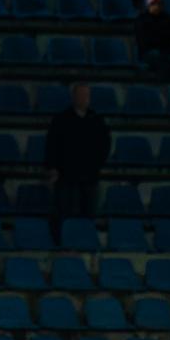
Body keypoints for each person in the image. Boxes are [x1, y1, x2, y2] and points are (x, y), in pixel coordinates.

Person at [45, 84, 111, 231]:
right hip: (66, 175)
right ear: (74, 97)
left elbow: (105, 145)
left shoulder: (96, 119)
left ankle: (85, 240)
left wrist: (97, 164)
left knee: (88, 214)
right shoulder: (61, 119)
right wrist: (52, 167)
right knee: (65, 215)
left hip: (90, 175)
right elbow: (52, 145)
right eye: (80, 95)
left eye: (86, 95)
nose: (84, 98)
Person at [133, 0, 170, 86]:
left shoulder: (167, 18)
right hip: (149, 52)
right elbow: (144, 40)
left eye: (159, 4)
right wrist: (163, 39)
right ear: (148, 6)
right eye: (153, 4)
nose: (157, 6)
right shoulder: (142, 20)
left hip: (167, 50)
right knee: (160, 57)